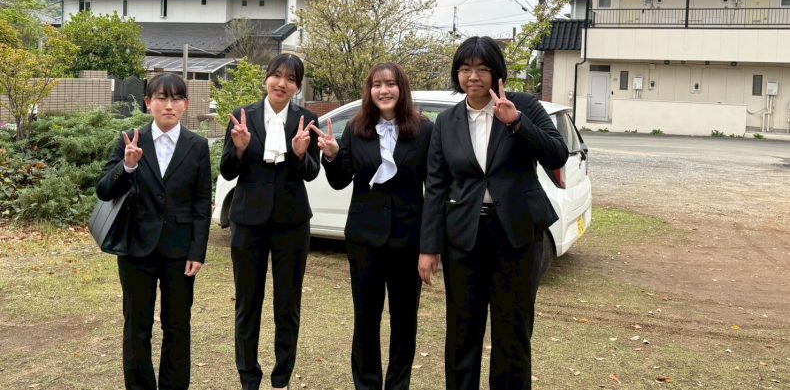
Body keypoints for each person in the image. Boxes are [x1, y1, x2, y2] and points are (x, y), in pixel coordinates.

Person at [418, 36, 569, 390]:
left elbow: (557, 154)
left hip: (515, 235)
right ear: (457, 74)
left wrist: (516, 123)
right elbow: (436, 186)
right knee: (462, 332)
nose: (473, 76)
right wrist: (429, 247)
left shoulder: (524, 106)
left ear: (496, 72)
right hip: (464, 239)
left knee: (512, 332)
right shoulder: (447, 122)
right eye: (465, 69)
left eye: (482, 68)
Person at [310, 62, 433, 390]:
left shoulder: (424, 130)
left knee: (404, 321)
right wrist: (332, 155)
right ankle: (366, 384)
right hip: (364, 239)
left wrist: (430, 242)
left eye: (390, 83)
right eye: (377, 84)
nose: (384, 90)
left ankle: (397, 385)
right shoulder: (356, 128)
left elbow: (433, 187)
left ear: (401, 88)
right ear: (369, 90)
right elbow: (340, 180)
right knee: (366, 319)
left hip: (408, 240)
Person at [97, 72, 212, 390]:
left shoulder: (197, 146)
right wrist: (128, 166)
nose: (169, 105)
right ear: (148, 102)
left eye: (176, 98)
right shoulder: (129, 139)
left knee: (178, 326)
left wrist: (198, 251)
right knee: (137, 327)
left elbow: (202, 202)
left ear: (186, 104)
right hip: (136, 248)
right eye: (161, 97)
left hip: (180, 250)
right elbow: (104, 190)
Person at [220, 53, 319, 390]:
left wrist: (301, 154)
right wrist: (240, 149)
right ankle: (248, 378)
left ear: (298, 87)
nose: (282, 83)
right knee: (247, 303)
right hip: (248, 221)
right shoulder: (242, 116)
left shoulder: (307, 119)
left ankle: (281, 379)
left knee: (287, 304)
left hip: (292, 222)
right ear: (266, 78)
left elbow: (311, 172)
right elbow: (227, 171)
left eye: (291, 79)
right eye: (277, 75)